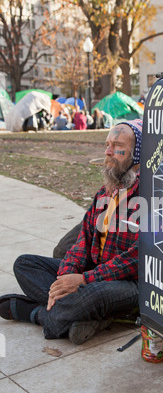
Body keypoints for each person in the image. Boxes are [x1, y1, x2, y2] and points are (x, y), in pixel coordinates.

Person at [0, 119, 143, 345]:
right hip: (94, 272)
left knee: (91, 296)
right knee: (24, 264)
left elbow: (136, 260)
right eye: (107, 144)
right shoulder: (104, 194)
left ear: (137, 156)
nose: (107, 152)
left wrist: (84, 280)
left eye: (117, 146)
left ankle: (36, 314)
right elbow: (82, 242)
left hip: (129, 284)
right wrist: (66, 276)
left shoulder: (152, 197)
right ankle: (88, 317)